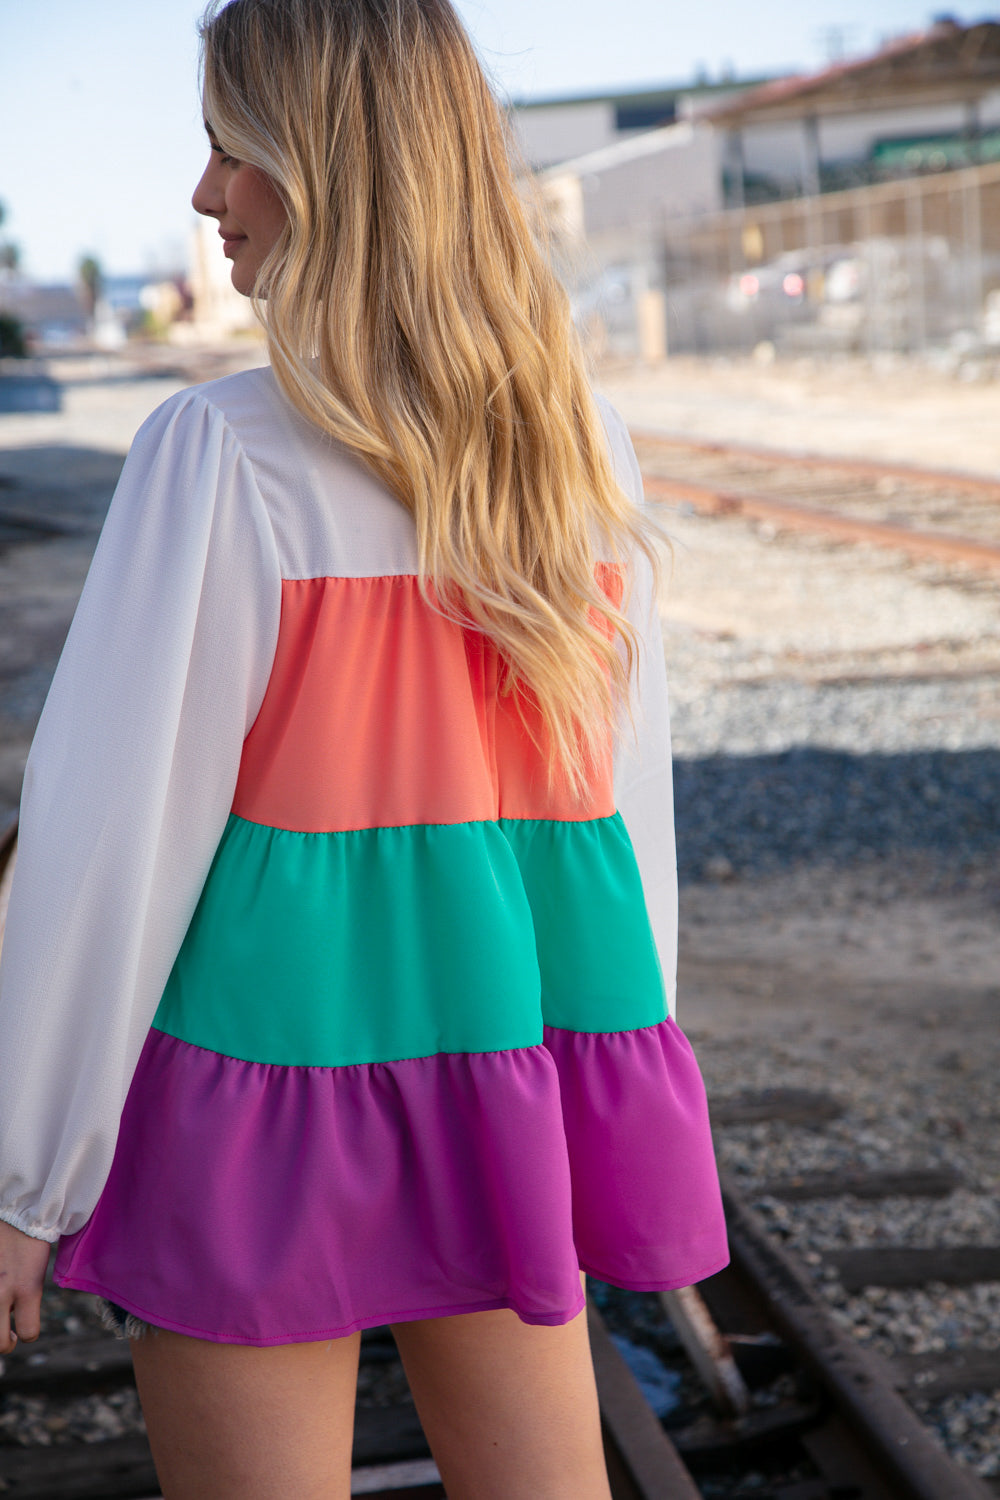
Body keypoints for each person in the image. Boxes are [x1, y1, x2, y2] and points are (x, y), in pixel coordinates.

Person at [0, 0, 728, 1494]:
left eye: (229, 149)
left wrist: (26, 1176)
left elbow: (110, 846)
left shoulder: (223, 456)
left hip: (257, 1102)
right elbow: (624, 826)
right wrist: (605, 1081)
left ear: (327, 166)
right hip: (496, 1075)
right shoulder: (582, 451)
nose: (205, 195)